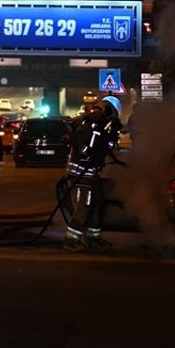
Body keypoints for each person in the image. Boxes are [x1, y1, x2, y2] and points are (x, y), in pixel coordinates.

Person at [61, 102, 121, 252]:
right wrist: (90, 156)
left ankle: (93, 238)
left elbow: (105, 147)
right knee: (84, 207)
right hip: (82, 175)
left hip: (91, 174)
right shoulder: (90, 126)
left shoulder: (98, 129)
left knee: (97, 204)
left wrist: (113, 135)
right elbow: (82, 148)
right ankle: (71, 240)